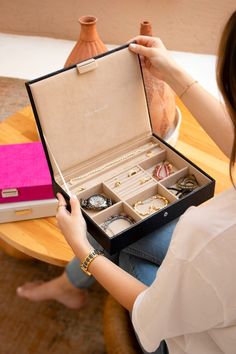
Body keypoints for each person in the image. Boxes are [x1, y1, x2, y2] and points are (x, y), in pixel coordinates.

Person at [17, 11, 236, 354]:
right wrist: (175, 73)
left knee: (111, 241)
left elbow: (149, 310)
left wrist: (83, 249)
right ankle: (69, 283)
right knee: (119, 231)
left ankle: (71, 282)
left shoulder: (208, 234)